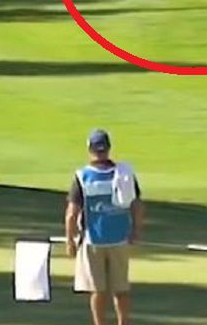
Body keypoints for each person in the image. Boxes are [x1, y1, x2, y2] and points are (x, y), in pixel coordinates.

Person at [65, 129, 144, 325]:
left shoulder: (82, 176)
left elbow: (71, 214)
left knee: (97, 290)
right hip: (120, 238)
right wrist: (136, 231)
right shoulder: (124, 173)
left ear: (90, 149)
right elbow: (137, 205)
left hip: (93, 240)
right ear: (108, 148)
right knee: (121, 288)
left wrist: (70, 240)